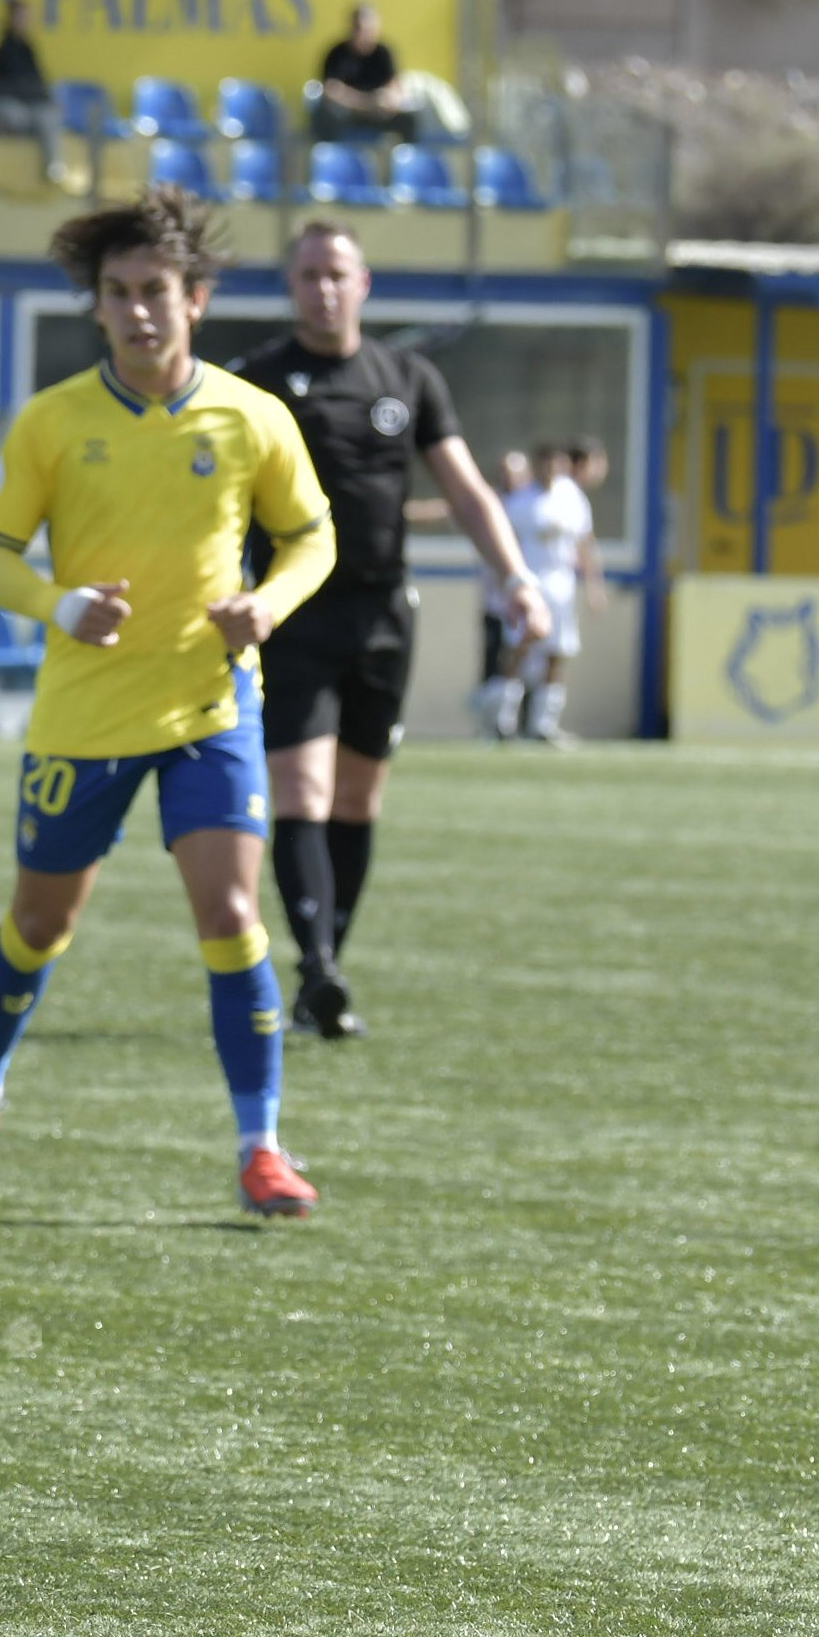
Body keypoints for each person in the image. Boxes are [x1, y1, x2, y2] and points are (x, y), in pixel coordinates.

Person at [0, 188, 337, 1220]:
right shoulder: (54, 422)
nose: (137, 312)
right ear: (97, 307)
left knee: (231, 914)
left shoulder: (250, 417)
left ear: (194, 298)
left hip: (209, 707)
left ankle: (260, 1145)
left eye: (155, 290)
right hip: (83, 719)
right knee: (36, 922)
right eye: (115, 294)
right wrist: (56, 603)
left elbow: (310, 537)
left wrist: (269, 604)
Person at [228, 221, 549, 1037]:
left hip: (381, 613)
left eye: (336, 273)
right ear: (290, 286)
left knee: (361, 799)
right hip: (293, 609)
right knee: (302, 788)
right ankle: (319, 967)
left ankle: (321, 973)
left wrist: (516, 578)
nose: (323, 288)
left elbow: (469, 490)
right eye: (307, 275)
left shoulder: (408, 378)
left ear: (364, 283)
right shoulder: (257, 382)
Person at [508, 439, 604, 747]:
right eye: (546, 462)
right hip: (529, 585)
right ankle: (502, 722)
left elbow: (585, 544)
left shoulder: (572, 498)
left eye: (557, 463)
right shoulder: (520, 501)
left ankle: (544, 725)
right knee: (519, 650)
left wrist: (594, 586)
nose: (552, 469)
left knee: (557, 653)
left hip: (561, 586)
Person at [473, 449, 535, 738]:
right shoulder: (492, 502)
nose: (509, 478)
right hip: (496, 601)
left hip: (526, 600)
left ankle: (522, 723)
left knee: (527, 662)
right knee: (495, 662)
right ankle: (494, 726)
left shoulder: (534, 505)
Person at [0, 0, 66, 180]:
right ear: (9, 17)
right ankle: (9, 174)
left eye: (26, 16)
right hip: (8, 103)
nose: (23, 21)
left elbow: (38, 79)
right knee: (16, 118)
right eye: (19, 16)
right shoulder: (2, 48)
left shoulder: (28, 48)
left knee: (48, 118)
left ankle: (53, 170)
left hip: (31, 103)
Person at [313, 1, 418, 147]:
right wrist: (365, 102)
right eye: (358, 27)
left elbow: (396, 87)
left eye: (367, 28)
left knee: (409, 118)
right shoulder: (337, 53)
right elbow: (331, 90)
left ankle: (407, 162)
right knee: (326, 115)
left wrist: (389, 100)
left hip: (378, 113)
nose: (362, 33)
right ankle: (331, 160)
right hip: (350, 112)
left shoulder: (384, 53)